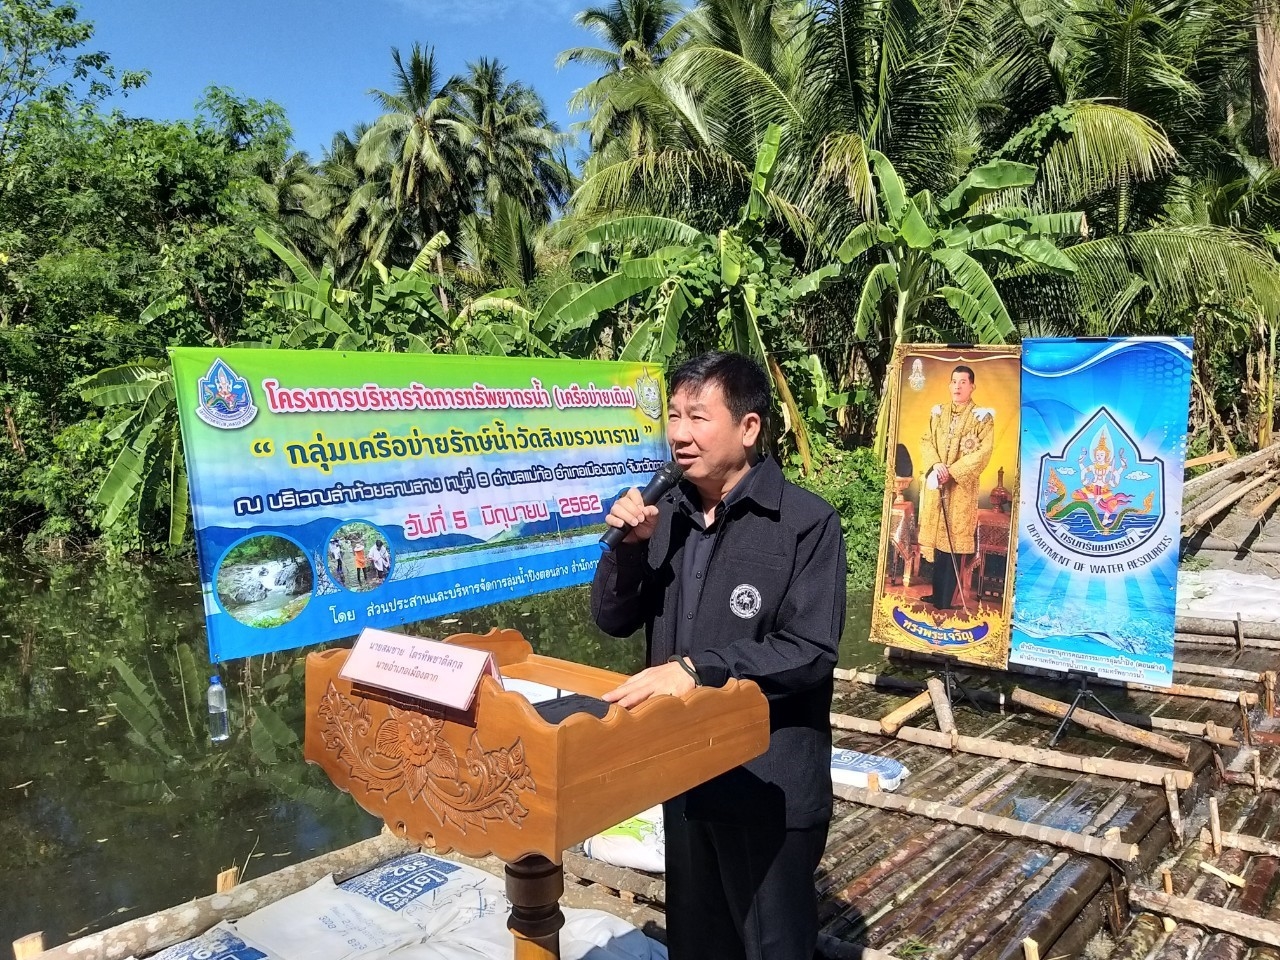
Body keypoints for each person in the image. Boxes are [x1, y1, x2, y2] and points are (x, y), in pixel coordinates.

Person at [592, 351, 846, 960]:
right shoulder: (664, 514)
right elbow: (612, 620)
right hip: (683, 776)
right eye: (674, 415)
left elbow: (810, 651)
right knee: (698, 942)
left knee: (771, 947)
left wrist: (698, 670)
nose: (679, 433)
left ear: (748, 427)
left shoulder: (806, 523)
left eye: (698, 417)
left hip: (765, 786)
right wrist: (629, 548)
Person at [917, 364, 994, 610]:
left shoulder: (982, 417)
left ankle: (946, 599)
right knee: (939, 543)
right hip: (939, 484)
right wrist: (936, 465)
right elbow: (926, 441)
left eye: (963, 382)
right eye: (954, 381)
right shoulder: (938, 413)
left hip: (960, 489)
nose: (958, 386)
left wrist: (952, 471)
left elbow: (983, 452)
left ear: (972, 386)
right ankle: (937, 593)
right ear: (949, 385)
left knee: (953, 543)